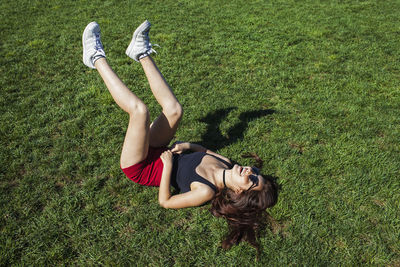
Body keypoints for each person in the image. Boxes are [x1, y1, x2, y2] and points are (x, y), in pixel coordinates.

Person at [82, 20, 278, 252]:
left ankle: (94, 57)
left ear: (239, 193)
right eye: (256, 172)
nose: (250, 171)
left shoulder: (205, 191)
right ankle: (141, 52)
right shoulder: (226, 162)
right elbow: (203, 151)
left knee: (139, 111)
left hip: (141, 166)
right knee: (175, 110)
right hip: (159, 150)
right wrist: (188, 145)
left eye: (252, 180)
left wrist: (167, 166)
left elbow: (166, 202)